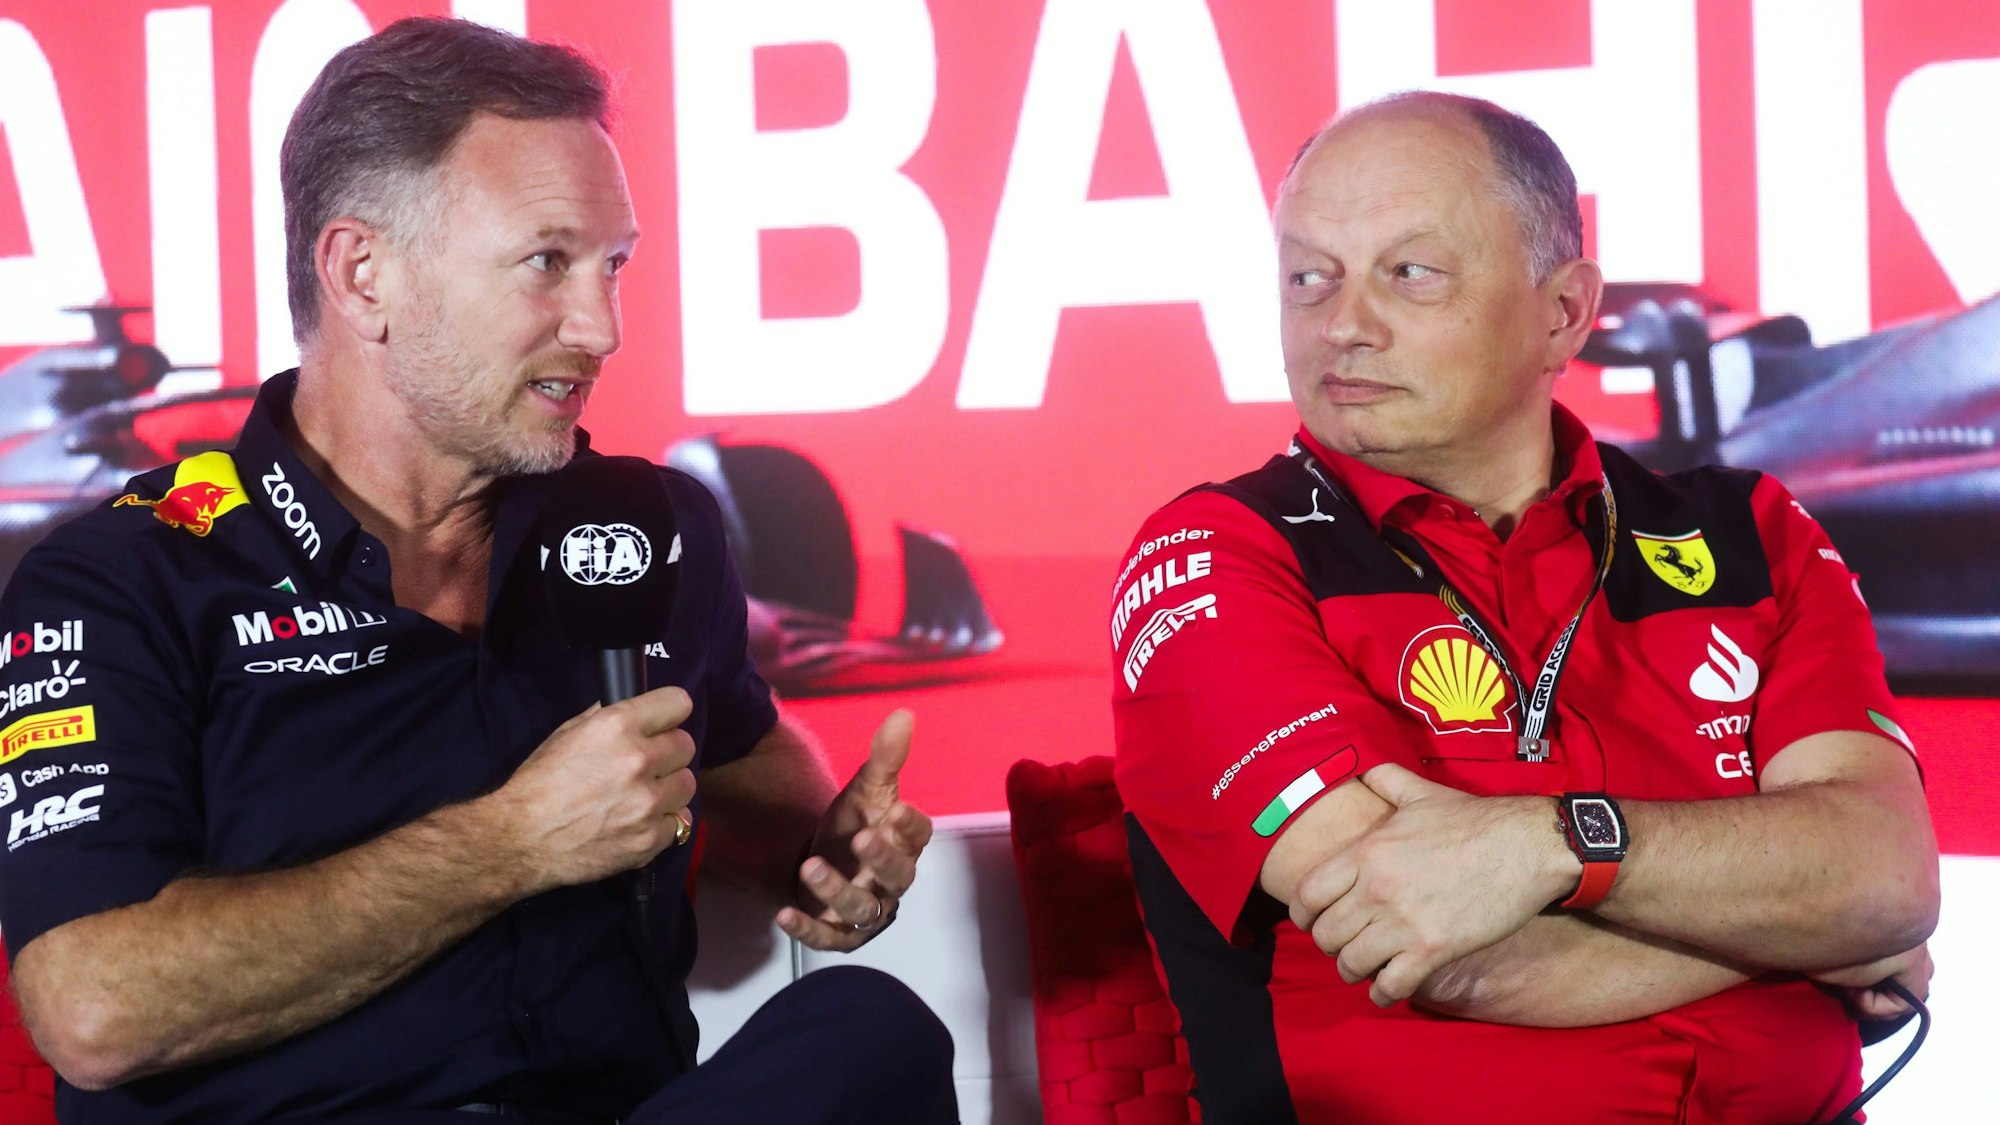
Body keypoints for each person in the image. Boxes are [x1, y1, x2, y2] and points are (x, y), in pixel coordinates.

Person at [0, 17, 956, 1124]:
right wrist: (511, 842)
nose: (600, 327)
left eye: (613, 266)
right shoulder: (124, 577)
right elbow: (93, 1008)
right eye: (547, 263)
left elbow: (731, 763)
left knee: (868, 1032)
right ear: (362, 274)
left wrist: (824, 849)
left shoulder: (648, 526)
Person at [1111, 91, 1938, 1124]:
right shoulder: (1214, 553)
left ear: (1564, 312)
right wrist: (1816, 936)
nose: (1342, 326)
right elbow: (1446, 950)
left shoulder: (1752, 531)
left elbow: (1884, 875)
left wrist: (1550, 845)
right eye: (1307, 277)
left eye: (1409, 272)